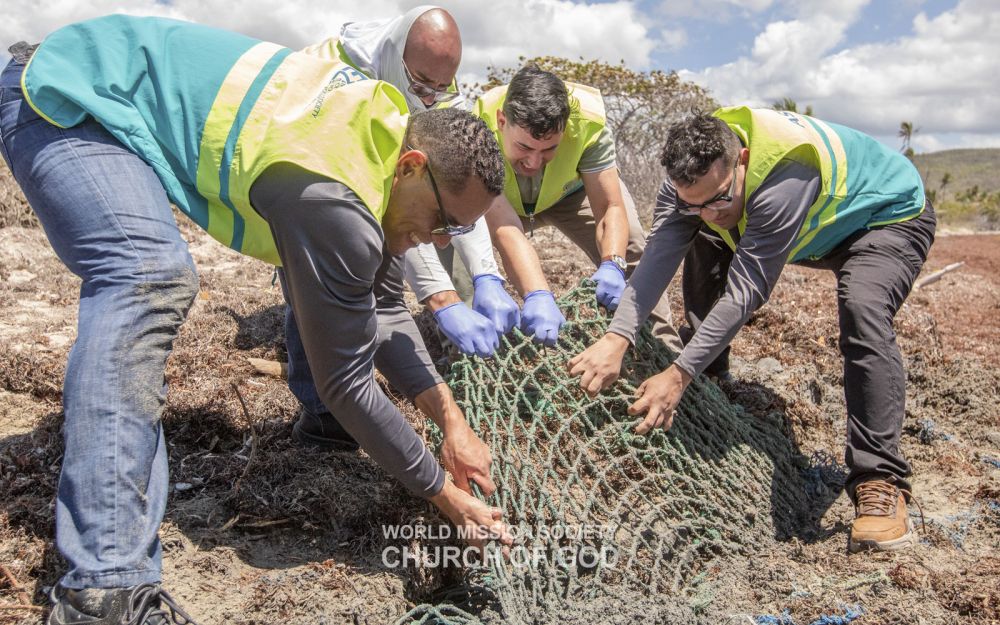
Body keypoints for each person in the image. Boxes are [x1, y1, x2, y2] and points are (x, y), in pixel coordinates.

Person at [1, 15, 511, 624]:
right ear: (412, 165)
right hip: (70, 93)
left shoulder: (382, 139)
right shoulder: (336, 196)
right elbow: (344, 383)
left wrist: (449, 420)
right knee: (148, 275)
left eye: (455, 232)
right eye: (440, 220)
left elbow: (383, 309)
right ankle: (102, 591)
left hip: (108, 91)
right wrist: (445, 496)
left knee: (158, 272)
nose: (435, 239)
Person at [568, 108, 935, 553]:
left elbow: (745, 292)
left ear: (741, 159)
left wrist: (678, 373)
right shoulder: (691, 183)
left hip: (883, 216)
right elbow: (659, 257)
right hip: (814, 225)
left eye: (718, 197)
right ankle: (713, 379)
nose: (706, 209)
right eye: (691, 200)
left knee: (863, 311)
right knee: (704, 233)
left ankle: (879, 479)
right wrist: (617, 337)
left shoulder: (784, 176)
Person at [284, 6, 522, 451]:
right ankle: (320, 412)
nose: (430, 96)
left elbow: (455, 193)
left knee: (380, 287)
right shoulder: (343, 75)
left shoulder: (438, 92)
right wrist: (440, 297)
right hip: (315, 175)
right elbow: (405, 207)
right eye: (421, 85)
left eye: (440, 86)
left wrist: (486, 273)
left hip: (389, 179)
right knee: (314, 279)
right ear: (397, 57)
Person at [405, 65, 684, 352]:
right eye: (524, 147)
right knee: (452, 233)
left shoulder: (588, 123)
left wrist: (613, 262)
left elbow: (610, 207)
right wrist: (538, 293)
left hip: (568, 192)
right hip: (499, 199)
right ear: (502, 121)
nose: (534, 162)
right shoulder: (476, 127)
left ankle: (662, 347)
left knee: (633, 243)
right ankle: (466, 351)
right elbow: (506, 226)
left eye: (549, 149)